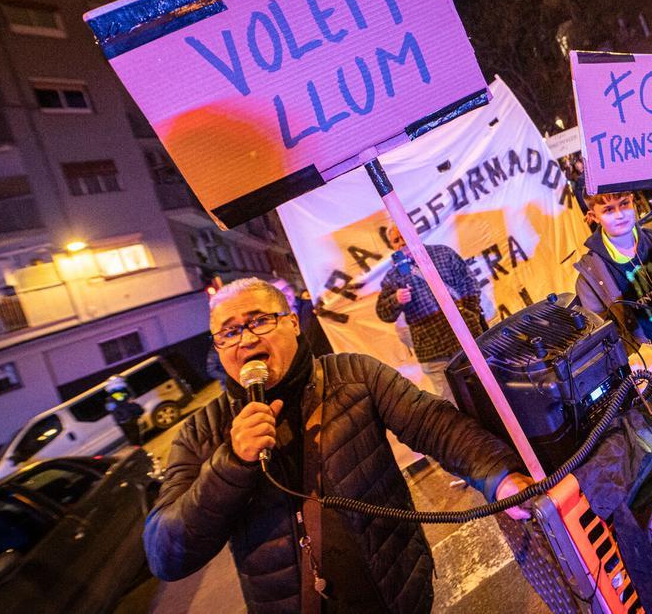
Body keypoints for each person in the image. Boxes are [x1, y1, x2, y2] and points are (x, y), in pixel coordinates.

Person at [145, 278, 528, 614]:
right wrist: (231, 463)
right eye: (228, 333)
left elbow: (434, 424)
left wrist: (500, 477)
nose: (245, 339)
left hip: (396, 595)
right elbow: (166, 554)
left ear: (292, 322)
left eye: (259, 321)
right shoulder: (200, 432)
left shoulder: (355, 375)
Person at [573, 191, 652, 360]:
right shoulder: (591, 277)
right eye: (608, 210)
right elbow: (604, 337)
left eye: (624, 204)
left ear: (632, 201)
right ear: (594, 216)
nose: (620, 215)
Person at [375, 226, 482, 403]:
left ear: (414, 233)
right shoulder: (394, 277)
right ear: (392, 247)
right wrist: (396, 299)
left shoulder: (442, 253)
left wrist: (468, 316)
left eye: (404, 236)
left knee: (488, 391)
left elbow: (470, 284)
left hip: (468, 339)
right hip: (433, 354)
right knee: (454, 404)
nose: (402, 242)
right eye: (396, 240)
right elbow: (383, 313)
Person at [104, 375, 144, 447]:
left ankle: (138, 452)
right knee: (135, 439)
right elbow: (128, 405)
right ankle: (140, 453)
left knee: (132, 440)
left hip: (121, 422)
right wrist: (139, 410)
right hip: (128, 419)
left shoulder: (110, 398)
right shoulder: (119, 395)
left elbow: (113, 409)